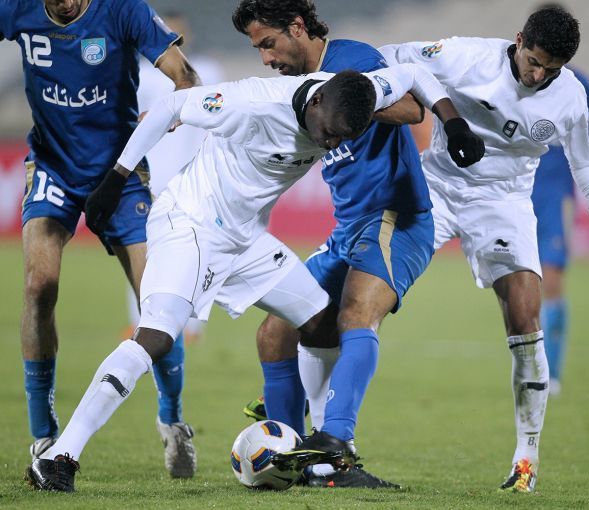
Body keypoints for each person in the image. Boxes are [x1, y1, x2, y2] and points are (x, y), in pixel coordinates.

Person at [25, 61, 484, 492]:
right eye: (329, 133)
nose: (330, 145)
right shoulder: (252, 102)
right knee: (158, 335)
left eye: (342, 139)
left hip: (245, 239)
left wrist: (454, 123)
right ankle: (60, 456)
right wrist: (116, 178)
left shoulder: (356, 93)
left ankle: (323, 461)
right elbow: (171, 106)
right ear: (317, 101)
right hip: (191, 224)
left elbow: (414, 73)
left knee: (321, 322)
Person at [377, 5, 589, 493]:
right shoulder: (466, 57)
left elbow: (584, 156)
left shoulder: (570, 94)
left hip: (505, 201)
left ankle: (525, 460)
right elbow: (394, 55)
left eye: (551, 69)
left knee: (525, 315)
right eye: (533, 62)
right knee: (372, 295)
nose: (538, 76)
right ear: (518, 41)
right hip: (437, 187)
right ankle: (330, 432)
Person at [230, 0, 463, 488]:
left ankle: (337, 449)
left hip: (396, 217)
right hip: (347, 229)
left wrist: (345, 102)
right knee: (274, 332)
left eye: (269, 44)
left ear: (297, 27)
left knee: (355, 314)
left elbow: (412, 107)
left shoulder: (351, 57)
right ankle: (293, 456)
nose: (266, 58)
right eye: (257, 50)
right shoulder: (290, 86)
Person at [0, 0, 201, 478]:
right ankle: (44, 434)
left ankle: (173, 421)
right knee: (38, 286)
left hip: (121, 174)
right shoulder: (17, 8)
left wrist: (176, 109)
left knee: (159, 303)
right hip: (53, 167)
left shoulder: (123, 10)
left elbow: (185, 77)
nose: (67, 4)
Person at [125, 10, 226, 343]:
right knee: (144, 251)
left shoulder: (207, 71)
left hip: (198, 175)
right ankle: (143, 321)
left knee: (199, 251)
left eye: (178, 33)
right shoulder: (141, 75)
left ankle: (192, 327)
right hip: (153, 175)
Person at [532, 65, 589, 396]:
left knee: (552, 279)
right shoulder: (511, 75)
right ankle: (528, 366)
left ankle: (550, 374)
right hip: (513, 190)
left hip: (555, 195)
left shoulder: (580, 85)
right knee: (518, 283)